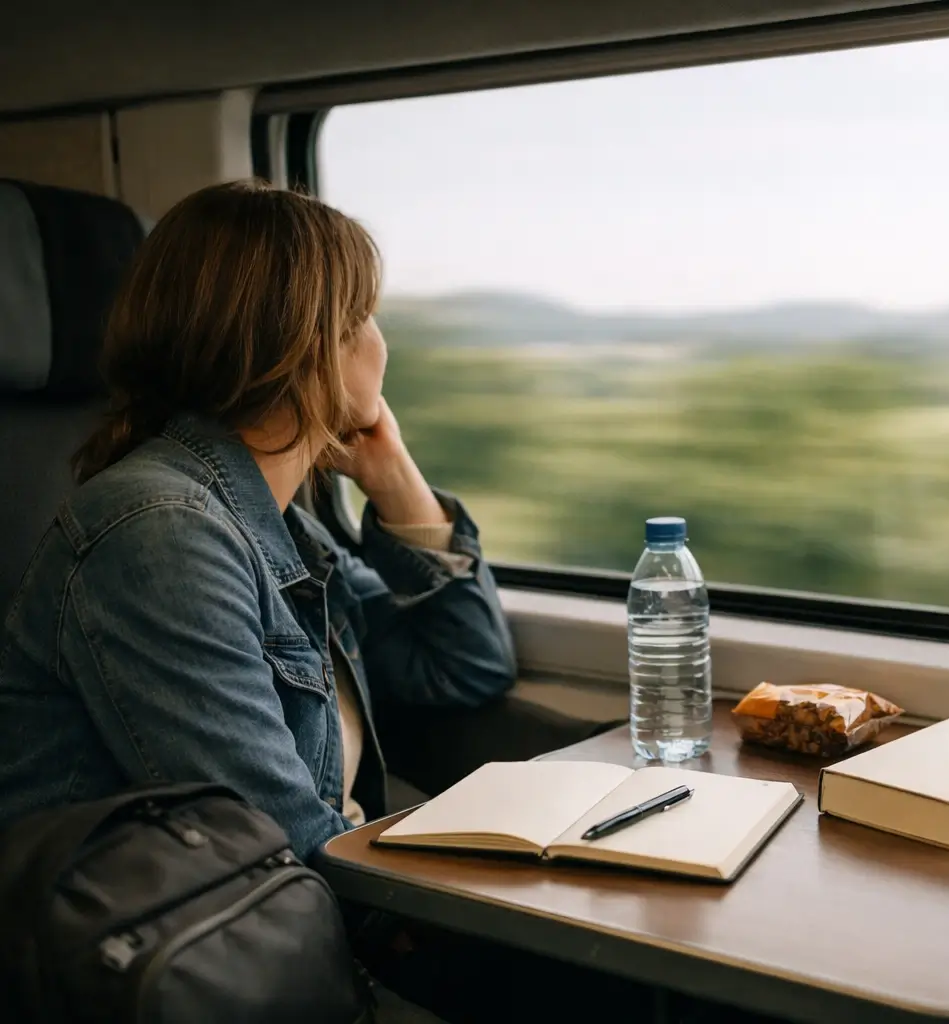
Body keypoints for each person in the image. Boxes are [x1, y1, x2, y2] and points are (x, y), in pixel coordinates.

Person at [0, 180, 671, 1023]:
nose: (382, 342)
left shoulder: (282, 528)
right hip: (226, 955)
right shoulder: (159, 532)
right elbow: (271, 840)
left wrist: (395, 479)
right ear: (310, 346)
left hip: (319, 914)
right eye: (365, 316)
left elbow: (464, 666)